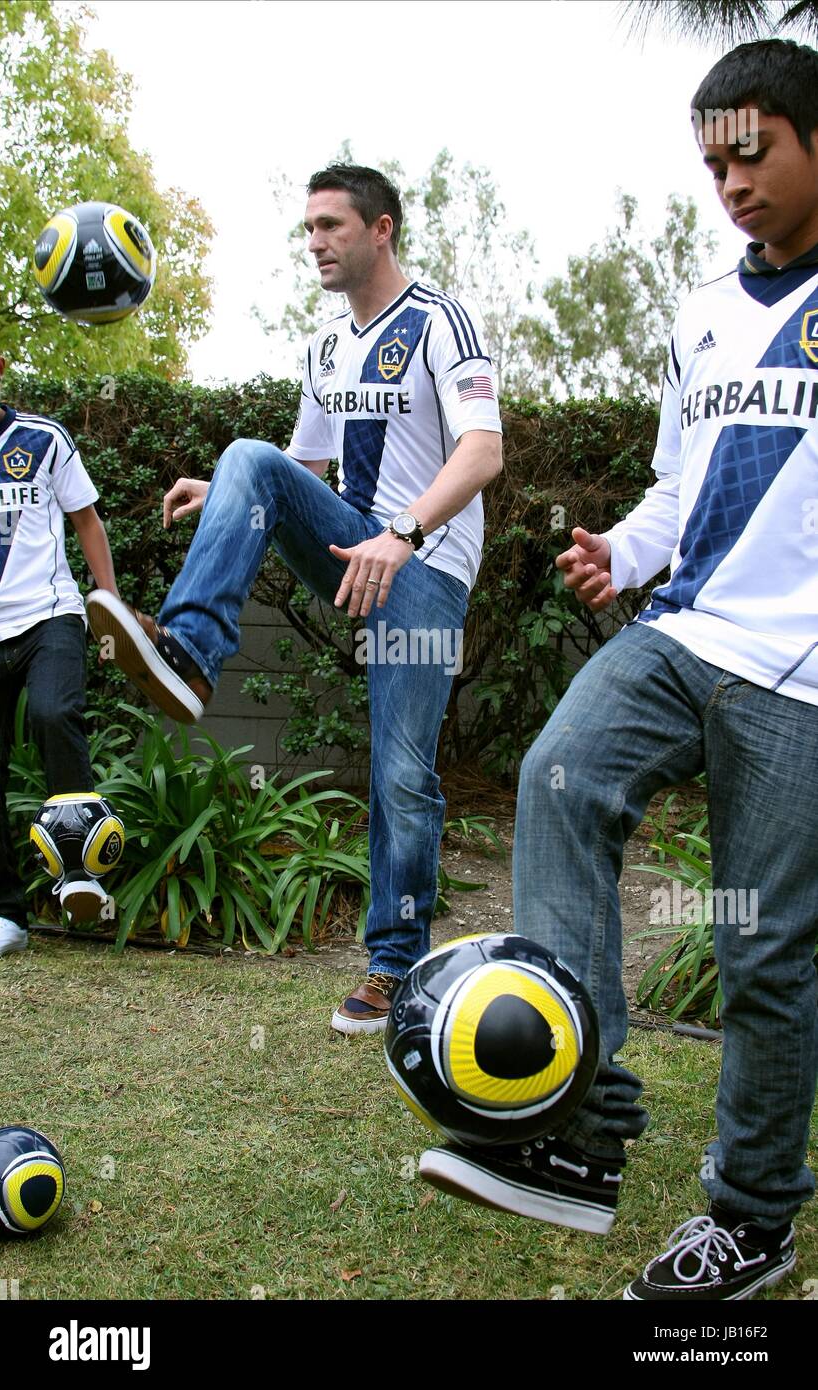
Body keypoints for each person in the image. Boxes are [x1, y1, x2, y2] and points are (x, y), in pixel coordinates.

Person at [419, 38, 818, 1302]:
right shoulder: (702, 312)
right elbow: (677, 487)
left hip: (803, 682)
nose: (731, 184)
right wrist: (623, 554)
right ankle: (580, 1130)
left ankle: (752, 1218)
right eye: (712, 166)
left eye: (753, 154)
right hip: (684, 633)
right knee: (556, 774)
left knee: (760, 949)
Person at [87, 164, 503, 1032]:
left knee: (401, 772)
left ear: (380, 228)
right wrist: (230, 488)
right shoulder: (322, 348)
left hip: (422, 570)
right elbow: (302, 472)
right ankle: (190, 656)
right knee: (246, 454)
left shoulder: (437, 321)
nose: (314, 243)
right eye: (307, 229)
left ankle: (395, 967)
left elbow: (481, 454)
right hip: (353, 550)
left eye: (330, 226)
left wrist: (405, 534)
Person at [0, 354, 120, 954]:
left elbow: (88, 522)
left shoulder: (42, 439)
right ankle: (7, 916)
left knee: (52, 713)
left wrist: (112, 610)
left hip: (49, 615)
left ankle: (81, 874)